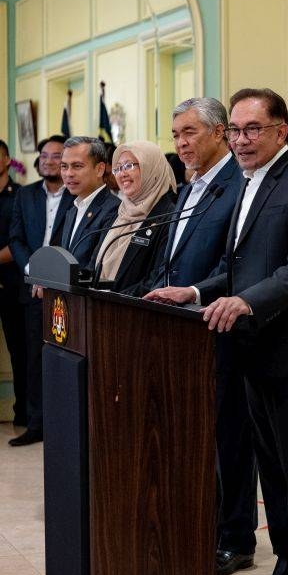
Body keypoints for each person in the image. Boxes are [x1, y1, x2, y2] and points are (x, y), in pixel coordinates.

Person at [146, 88, 288, 575]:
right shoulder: (248, 183)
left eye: (253, 129)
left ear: (282, 131)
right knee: (273, 473)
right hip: (255, 350)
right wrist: (195, 293)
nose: (241, 140)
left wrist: (245, 302)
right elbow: (239, 267)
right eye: (235, 130)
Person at [143, 97, 256, 575]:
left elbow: (236, 264)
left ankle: (236, 538)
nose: (181, 143)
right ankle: (204, 527)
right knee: (197, 437)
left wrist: (192, 291)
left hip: (220, 326)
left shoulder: (238, 185)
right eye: (175, 135)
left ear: (219, 133)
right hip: (181, 330)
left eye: (189, 133)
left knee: (229, 438)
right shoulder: (191, 187)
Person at [8, 135, 73, 446]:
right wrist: (33, 271)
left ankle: (65, 425)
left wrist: (54, 275)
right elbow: (16, 239)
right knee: (33, 358)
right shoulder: (25, 195)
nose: (49, 161)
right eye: (44, 155)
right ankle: (36, 423)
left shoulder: (76, 195)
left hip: (66, 289)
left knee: (67, 356)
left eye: (56, 156)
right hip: (32, 288)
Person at [92, 142, 175, 293]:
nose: (122, 174)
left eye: (129, 166)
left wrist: (114, 300)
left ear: (152, 168)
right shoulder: (117, 214)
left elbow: (156, 280)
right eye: (117, 168)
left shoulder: (170, 218)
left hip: (133, 311)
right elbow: (94, 266)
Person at [57, 137, 120, 268]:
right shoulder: (73, 209)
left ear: (100, 169)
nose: (69, 173)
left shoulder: (114, 209)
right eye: (64, 166)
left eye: (77, 166)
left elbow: (97, 268)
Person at [0, 139, 27, 429]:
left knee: (20, 352)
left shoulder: (20, 195)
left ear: (7, 160)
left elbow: (18, 240)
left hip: (11, 285)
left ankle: (23, 413)